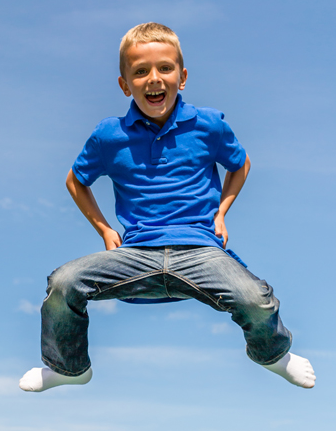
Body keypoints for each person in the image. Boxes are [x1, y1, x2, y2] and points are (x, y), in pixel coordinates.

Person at [18, 22, 316, 392]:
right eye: (140, 72)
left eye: (164, 68)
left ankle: (273, 355)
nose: (153, 79)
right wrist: (106, 231)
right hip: (136, 256)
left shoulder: (208, 125)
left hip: (200, 251)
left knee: (255, 299)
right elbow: (75, 180)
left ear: (182, 76)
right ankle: (68, 367)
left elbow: (240, 165)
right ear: (125, 84)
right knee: (63, 283)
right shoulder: (108, 136)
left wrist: (222, 212)